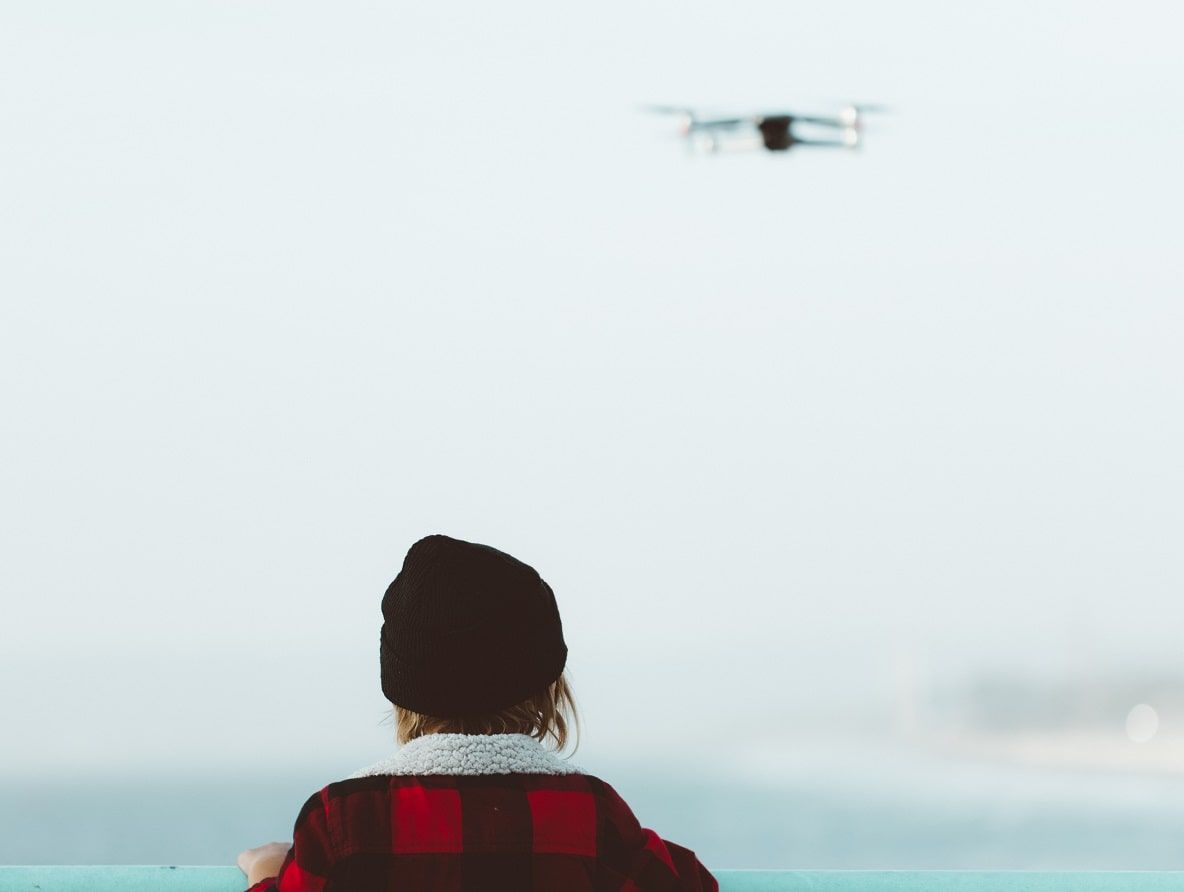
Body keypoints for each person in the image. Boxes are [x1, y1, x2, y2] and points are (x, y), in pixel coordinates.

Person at [237, 533, 718, 891]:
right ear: (548, 688)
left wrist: (264, 873)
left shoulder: (343, 818)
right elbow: (693, 885)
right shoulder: (589, 812)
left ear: (401, 693)